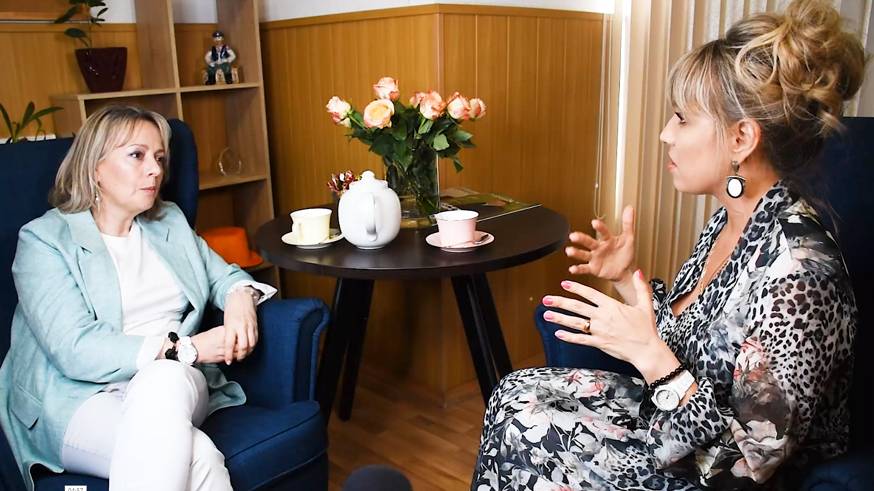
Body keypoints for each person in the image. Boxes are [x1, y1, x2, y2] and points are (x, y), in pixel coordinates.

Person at [471, 0, 865, 489]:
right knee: (513, 394)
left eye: (682, 118)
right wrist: (625, 279)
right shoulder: (731, 221)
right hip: (676, 427)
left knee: (530, 433)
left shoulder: (800, 273)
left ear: (741, 138)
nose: (665, 134)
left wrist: (649, 355)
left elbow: (751, 461)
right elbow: (689, 341)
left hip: (719, 471)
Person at [0, 105, 276, 490]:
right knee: (199, 459)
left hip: (176, 381)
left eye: (159, 158)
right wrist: (187, 349)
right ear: (95, 167)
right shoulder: (44, 241)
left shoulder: (169, 221)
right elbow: (74, 348)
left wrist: (240, 296)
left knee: (164, 378)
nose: (155, 170)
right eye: (137, 155)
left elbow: (224, 275)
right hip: (77, 397)